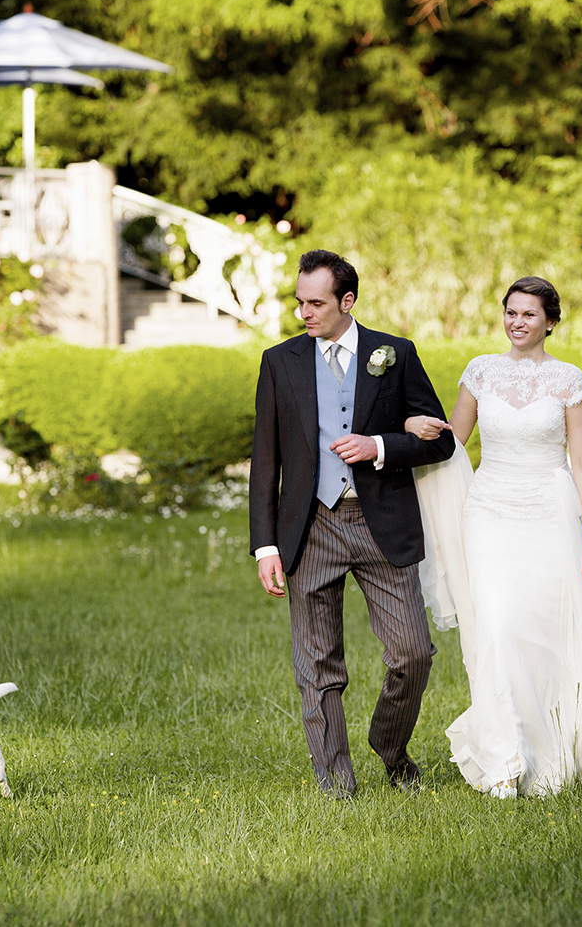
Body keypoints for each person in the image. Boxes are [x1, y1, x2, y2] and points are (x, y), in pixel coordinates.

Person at [405, 276, 582, 799]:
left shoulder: (569, 380)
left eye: (529, 315)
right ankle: (504, 760)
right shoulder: (481, 371)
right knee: (496, 627)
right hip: (488, 512)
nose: (517, 323)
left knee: (545, 631)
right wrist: (411, 427)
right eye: (511, 313)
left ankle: (554, 740)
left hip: (548, 511)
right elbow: (454, 440)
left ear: (550, 323)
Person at [249, 249, 457, 798]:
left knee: (413, 652)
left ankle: (389, 748)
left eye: (315, 303)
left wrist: (381, 445)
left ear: (347, 301)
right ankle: (337, 785)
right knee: (317, 665)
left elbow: (442, 440)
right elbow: (265, 460)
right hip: (309, 526)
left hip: (380, 522)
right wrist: (264, 545)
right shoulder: (280, 361)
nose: (304, 313)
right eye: (299, 302)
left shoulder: (396, 353)